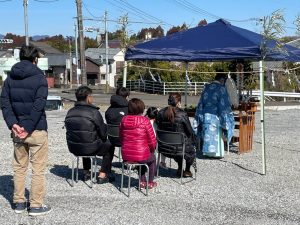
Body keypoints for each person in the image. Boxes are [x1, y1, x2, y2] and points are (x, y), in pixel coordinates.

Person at [1, 45, 51, 216]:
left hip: (17, 131)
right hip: (36, 129)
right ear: (35, 59)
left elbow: (5, 104)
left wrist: (13, 124)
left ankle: (19, 202)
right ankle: (36, 205)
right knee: (38, 169)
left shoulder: (9, 79)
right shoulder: (40, 78)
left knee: (19, 167)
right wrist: (28, 127)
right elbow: (39, 106)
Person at [65, 86, 115, 184]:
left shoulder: (70, 112)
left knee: (84, 139)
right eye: (91, 96)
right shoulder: (93, 112)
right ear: (88, 97)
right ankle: (102, 174)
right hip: (90, 148)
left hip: (74, 147)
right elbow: (104, 135)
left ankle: (86, 172)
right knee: (109, 145)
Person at [194, 72, 234, 158]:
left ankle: (207, 153)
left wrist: (200, 115)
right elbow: (223, 105)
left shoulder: (206, 87)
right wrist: (227, 116)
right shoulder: (221, 88)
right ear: (222, 80)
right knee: (216, 134)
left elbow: (201, 102)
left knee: (207, 133)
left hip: (205, 114)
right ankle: (216, 154)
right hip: (215, 115)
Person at [120, 98, 157, 189]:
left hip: (126, 155)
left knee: (141, 157)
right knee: (151, 159)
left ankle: (142, 181)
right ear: (141, 108)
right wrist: (152, 150)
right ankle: (150, 182)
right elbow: (152, 141)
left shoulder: (123, 120)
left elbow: (121, 138)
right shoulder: (145, 121)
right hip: (141, 155)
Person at [156, 93, 196, 178]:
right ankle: (187, 170)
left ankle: (180, 168)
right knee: (188, 146)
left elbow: (158, 127)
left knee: (179, 142)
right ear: (178, 102)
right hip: (178, 148)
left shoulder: (161, 112)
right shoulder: (182, 114)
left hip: (164, 147)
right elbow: (189, 131)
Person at [105, 87, 129, 154]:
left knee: (109, 144)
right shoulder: (129, 109)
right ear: (127, 97)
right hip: (126, 140)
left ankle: (107, 164)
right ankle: (127, 162)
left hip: (111, 138)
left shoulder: (109, 110)